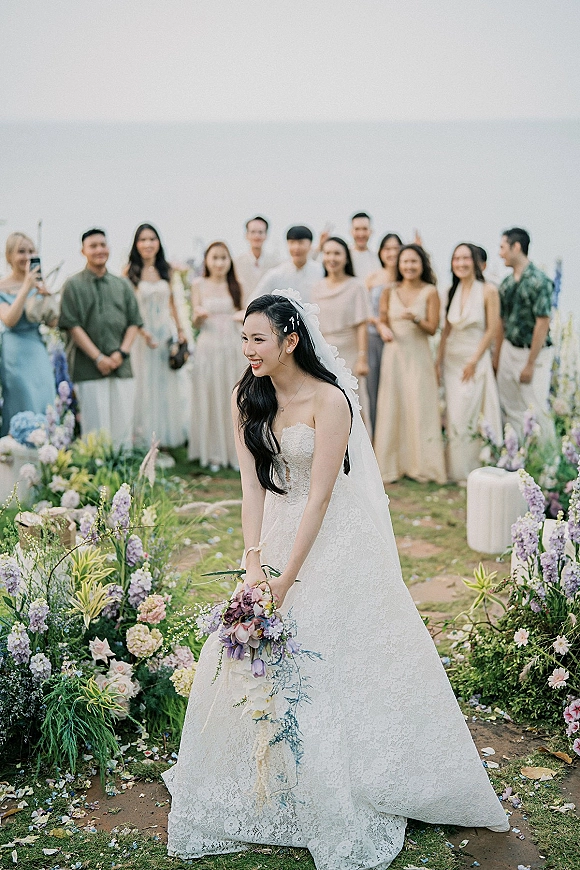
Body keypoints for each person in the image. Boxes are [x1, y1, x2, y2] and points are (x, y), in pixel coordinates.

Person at [163, 290, 509, 868]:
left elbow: (321, 496)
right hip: (274, 531)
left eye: (258, 339)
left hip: (334, 536)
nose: (248, 349)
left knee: (337, 648)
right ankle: (275, 773)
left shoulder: (332, 400)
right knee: (256, 656)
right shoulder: (246, 396)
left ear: (290, 341)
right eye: (243, 338)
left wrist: (287, 578)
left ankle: (362, 769)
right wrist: (254, 562)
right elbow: (251, 486)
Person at [58, 229, 142, 449]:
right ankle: (97, 475)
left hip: (121, 365)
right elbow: (72, 325)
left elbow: (134, 322)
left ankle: (124, 477)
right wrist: (98, 358)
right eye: (93, 246)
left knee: (123, 425)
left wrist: (120, 353)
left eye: (103, 245)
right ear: (83, 251)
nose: (99, 250)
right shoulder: (72, 285)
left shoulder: (122, 284)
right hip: (88, 367)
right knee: (96, 429)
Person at [373, 245, 446, 484]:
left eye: (414, 262)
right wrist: (384, 330)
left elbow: (433, 328)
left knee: (420, 405)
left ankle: (423, 466)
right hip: (394, 354)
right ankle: (392, 464)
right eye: (405, 262)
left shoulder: (430, 292)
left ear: (422, 264)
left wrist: (415, 318)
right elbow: (382, 320)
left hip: (418, 354)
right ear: (399, 265)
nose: (409, 266)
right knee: (393, 404)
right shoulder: (388, 291)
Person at [436, 243, 502, 482]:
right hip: (452, 361)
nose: (461, 263)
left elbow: (492, 329)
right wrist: (438, 361)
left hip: (474, 358)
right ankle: (456, 471)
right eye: (456, 258)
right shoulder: (449, 291)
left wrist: (474, 360)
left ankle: (475, 470)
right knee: (454, 414)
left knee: (471, 412)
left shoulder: (488, 291)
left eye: (465, 258)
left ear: (475, 262)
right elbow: (445, 331)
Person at [124, 224, 187, 449]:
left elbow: (173, 304)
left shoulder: (165, 270)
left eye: (152, 239)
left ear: (158, 243)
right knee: (142, 384)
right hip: (141, 337)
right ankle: (141, 438)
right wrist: (143, 332)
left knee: (163, 384)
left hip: (163, 335)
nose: (148, 244)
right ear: (136, 244)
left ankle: (163, 436)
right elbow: (128, 308)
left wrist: (180, 331)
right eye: (143, 240)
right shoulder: (129, 271)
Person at [494, 228, 555, 443]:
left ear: (516, 247)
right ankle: (518, 456)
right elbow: (501, 322)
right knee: (511, 407)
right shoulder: (506, 284)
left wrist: (530, 363)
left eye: (502, 247)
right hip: (510, 351)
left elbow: (543, 322)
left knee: (536, 408)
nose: (500, 253)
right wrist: (498, 357)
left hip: (534, 353)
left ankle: (549, 463)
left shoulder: (540, 281)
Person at [188, 241, 244, 470]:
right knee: (210, 395)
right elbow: (194, 321)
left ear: (229, 261)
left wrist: (242, 316)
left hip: (232, 345)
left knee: (234, 397)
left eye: (224, 258)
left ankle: (236, 452)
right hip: (208, 346)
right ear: (207, 261)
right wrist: (199, 316)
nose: (219, 262)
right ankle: (212, 452)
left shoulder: (237, 285)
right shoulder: (198, 284)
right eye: (215, 258)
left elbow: (245, 313)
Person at [0, 232, 55, 435]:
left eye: (31, 251)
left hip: (36, 347)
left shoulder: (38, 283)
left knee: (45, 396)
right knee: (21, 397)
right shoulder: (2, 286)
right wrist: (25, 288)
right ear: (9, 256)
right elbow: (10, 320)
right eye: (21, 251)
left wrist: (46, 298)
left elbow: (52, 323)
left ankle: (47, 452)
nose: (27, 256)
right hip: (15, 349)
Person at [312, 237, 371, 422]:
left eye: (337, 253)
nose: (332, 258)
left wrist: (362, 357)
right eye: (327, 253)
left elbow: (362, 324)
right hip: (322, 353)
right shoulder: (316, 287)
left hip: (350, 354)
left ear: (346, 258)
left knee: (353, 402)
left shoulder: (356, 286)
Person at [365, 233, 402, 434]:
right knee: (374, 390)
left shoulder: (406, 276)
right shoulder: (373, 277)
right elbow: (364, 308)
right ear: (380, 252)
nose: (392, 253)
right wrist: (379, 324)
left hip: (400, 339)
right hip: (374, 338)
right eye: (387, 249)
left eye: (396, 248)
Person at [252, 226, 323, 303]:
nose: (296, 247)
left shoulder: (321, 271)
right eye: (292, 243)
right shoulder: (276, 274)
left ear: (310, 245)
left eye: (301, 243)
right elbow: (254, 300)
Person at [234, 216, 281, 303]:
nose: (257, 236)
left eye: (260, 232)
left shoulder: (276, 263)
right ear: (246, 235)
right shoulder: (235, 263)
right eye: (253, 232)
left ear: (266, 235)